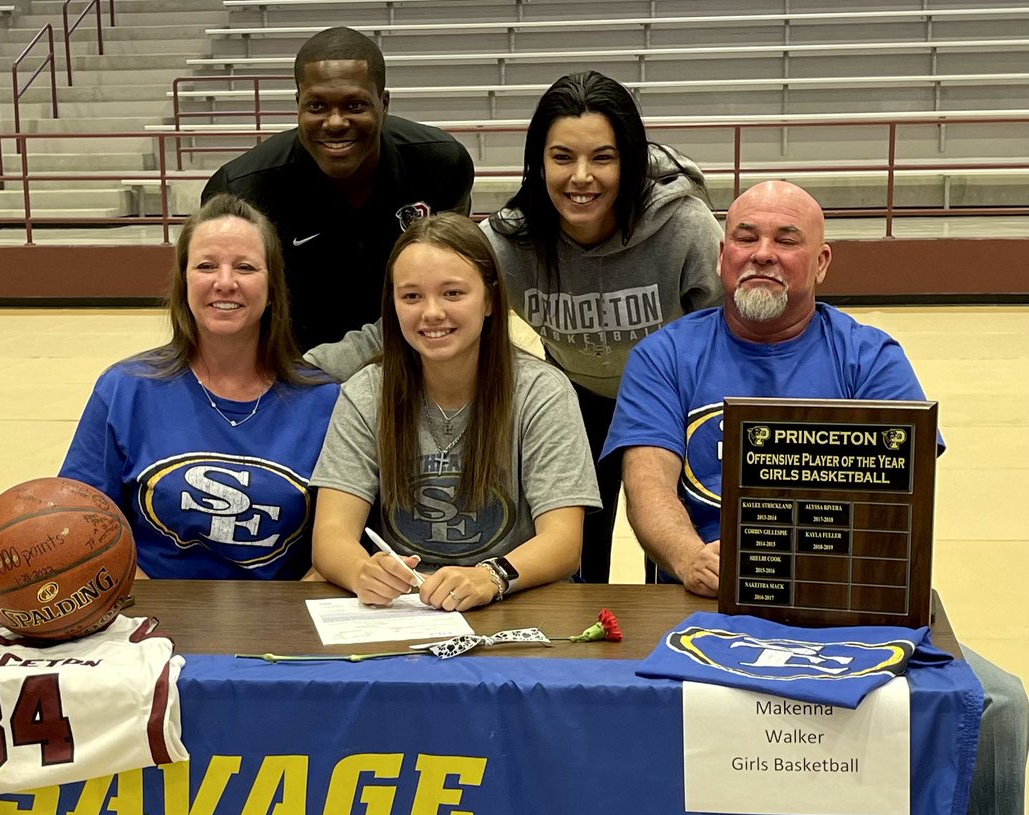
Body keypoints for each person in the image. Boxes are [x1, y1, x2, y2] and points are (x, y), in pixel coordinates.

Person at [603, 178, 1028, 815]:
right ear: (719, 256)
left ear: (820, 261)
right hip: (704, 610)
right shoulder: (666, 355)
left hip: (845, 612)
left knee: (997, 709)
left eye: (785, 239)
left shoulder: (870, 355)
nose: (761, 252)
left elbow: (903, 491)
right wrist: (687, 556)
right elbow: (646, 486)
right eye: (744, 236)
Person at [481, 71, 722, 582]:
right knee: (576, 563)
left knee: (681, 562)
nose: (581, 177)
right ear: (538, 161)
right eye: (562, 157)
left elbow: (727, 334)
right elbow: (435, 305)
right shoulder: (507, 243)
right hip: (577, 400)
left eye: (603, 158)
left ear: (628, 160)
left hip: (674, 406)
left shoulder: (685, 228)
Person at [310, 212, 599, 610]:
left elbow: (564, 544)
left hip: (513, 601)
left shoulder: (542, 392)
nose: (431, 312)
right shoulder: (366, 392)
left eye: (453, 293)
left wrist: (490, 576)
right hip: (405, 610)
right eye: (411, 296)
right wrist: (362, 572)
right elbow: (330, 536)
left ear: (490, 299)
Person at [60, 193, 339, 580]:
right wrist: (151, 617)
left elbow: (343, 545)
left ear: (273, 286)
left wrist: (290, 627)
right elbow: (80, 526)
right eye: (206, 266)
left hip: (279, 627)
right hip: (150, 619)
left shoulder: (325, 401)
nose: (225, 283)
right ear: (184, 282)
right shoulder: (125, 389)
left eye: (245, 267)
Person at [200, 26, 474, 351]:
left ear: (383, 104)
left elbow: (455, 282)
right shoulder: (242, 190)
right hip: (294, 370)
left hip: (409, 354)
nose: (335, 122)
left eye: (354, 106)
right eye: (316, 107)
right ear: (298, 104)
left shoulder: (440, 164)